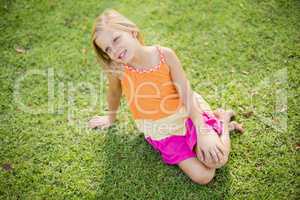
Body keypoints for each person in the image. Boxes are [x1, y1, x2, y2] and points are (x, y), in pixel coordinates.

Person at [88, 9, 244, 185]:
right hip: (161, 131)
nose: (114, 50)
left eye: (116, 39)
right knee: (204, 176)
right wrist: (110, 118)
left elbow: (185, 92)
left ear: (132, 32)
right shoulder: (118, 69)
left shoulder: (164, 55)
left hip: (186, 114)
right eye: (108, 49)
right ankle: (218, 125)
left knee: (217, 160)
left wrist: (202, 130)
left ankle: (221, 120)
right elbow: (114, 93)